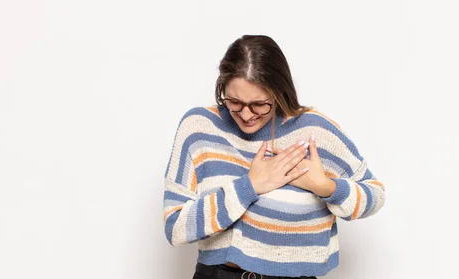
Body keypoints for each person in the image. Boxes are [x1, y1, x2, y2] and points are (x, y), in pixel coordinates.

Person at [163, 34, 386, 279]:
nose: (246, 115)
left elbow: (375, 194)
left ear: (279, 92)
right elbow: (175, 228)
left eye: (259, 104)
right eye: (235, 102)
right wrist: (250, 186)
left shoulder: (314, 132)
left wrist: (325, 187)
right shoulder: (200, 128)